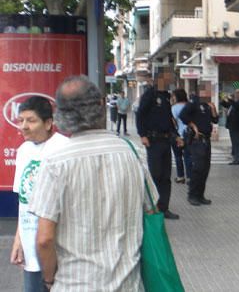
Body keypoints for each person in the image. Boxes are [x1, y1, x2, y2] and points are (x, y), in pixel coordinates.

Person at [29, 75, 158, 291]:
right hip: (129, 284)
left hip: (74, 284)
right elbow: (152, 210)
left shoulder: (55, 163)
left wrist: (49, 280)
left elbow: (44, 239)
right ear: (101, 106)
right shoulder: (133, 153)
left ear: (60, 115)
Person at [10, 96, 68, 292]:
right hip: (31, 248)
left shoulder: (64, 149)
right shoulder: (23, 151)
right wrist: (19, 239)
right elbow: (23, 201)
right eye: (21, 120)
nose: (23, 126)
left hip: (60, 250)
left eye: (31, 120)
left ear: (49, 123)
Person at [136, 80, 182, 220]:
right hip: (153, 141)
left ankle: (164, 208)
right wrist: (142, 134)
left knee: (166, 177)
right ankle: (151, 207)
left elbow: (169, 120)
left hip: (166, 140)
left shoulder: (166, 96)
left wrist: (176, 136)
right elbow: (140, 115)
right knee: (155, 175)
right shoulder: (150, 95)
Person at [180, 96, 218, 206]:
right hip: (197, 140)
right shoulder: (193, 102)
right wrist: (193, 125)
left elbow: (215, 120)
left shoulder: (207, 105)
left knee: (205, 168)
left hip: (206, 139)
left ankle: (200, 195)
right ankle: (192, 195)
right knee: (198, 168)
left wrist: (213, 109)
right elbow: (183, 116)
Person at [171, 89, 192, 184]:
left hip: (178, 135)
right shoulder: (190, 105)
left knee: (178, 156)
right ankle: (190, 177)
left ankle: (180, 176)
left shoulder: (174, 108)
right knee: (188, 156)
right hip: (189, 134)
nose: (173, 98)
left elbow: (173, 123)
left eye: (174, 96)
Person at [221, 88, 239, 165]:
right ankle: (236, 158)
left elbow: (237, 107)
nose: (236, 94)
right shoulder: (234, 103)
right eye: (235, 93)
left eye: (238, 93)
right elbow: (225, 104)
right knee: (234, 143)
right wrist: (223, 99)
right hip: (232, 126)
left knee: (238, 143)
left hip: (237, 125)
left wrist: (231, 99)